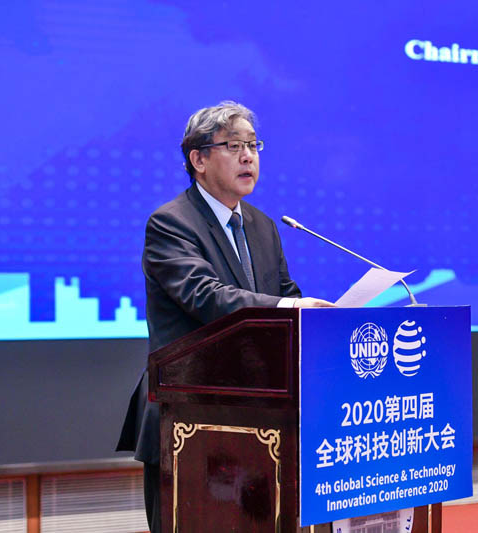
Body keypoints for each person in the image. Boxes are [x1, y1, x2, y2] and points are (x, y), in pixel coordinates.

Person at [116, 101, 333, 532]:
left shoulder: (263, 225)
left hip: (260, 419)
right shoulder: (170, 224)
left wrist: (320, 315)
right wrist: (289, 308)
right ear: (198, 160)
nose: (248, 156)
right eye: (234, 146)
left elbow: (285, 294)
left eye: (253, 145)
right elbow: (205, 296)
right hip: (189, 417)